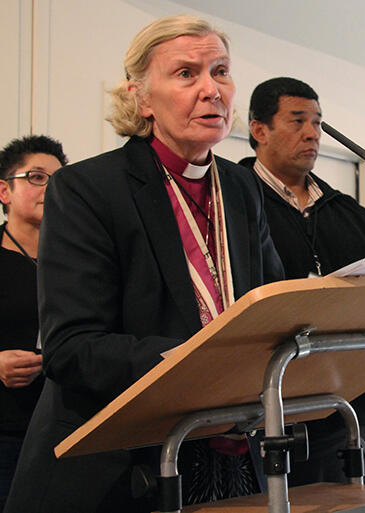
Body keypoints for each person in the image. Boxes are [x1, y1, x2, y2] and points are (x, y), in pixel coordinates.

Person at [4, 15, 283, 513]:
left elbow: (272, 304)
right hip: (118, 464)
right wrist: (202, 366)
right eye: (185, 74)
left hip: (232, 453)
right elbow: (72, 348)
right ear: (141, 98)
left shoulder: (242, 190)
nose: (211, 90)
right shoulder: (87, 188)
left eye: (220, 71)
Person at [238, 77, 365, 486]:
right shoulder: (232, 202)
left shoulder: (350, 214)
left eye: (318, 122)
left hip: (353, 412)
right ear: (259, 129)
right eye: (297, 121)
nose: (313, 133)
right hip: (267, 417)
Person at [0, 135, 67, 509]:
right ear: (4, 191)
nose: (49, 188)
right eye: (36, 177)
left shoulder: (78, 260)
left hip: (65, 425)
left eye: (58, 179)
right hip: (7, 430)